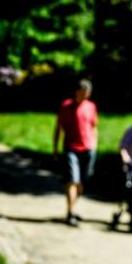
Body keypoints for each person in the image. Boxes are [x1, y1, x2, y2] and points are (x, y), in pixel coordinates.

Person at [53, 79, 98, 226]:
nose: (84, 96)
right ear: (76, 92)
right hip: (71, 148)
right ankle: (70, 213)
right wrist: (55, 148)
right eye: (82, 93)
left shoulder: (91, 106)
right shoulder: (66, 106)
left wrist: (94, 146)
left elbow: (94, 127)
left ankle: (72, 208)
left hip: (88, 149)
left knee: (82, 182)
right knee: (72, 180)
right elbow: (58, 128)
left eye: (87, 94)